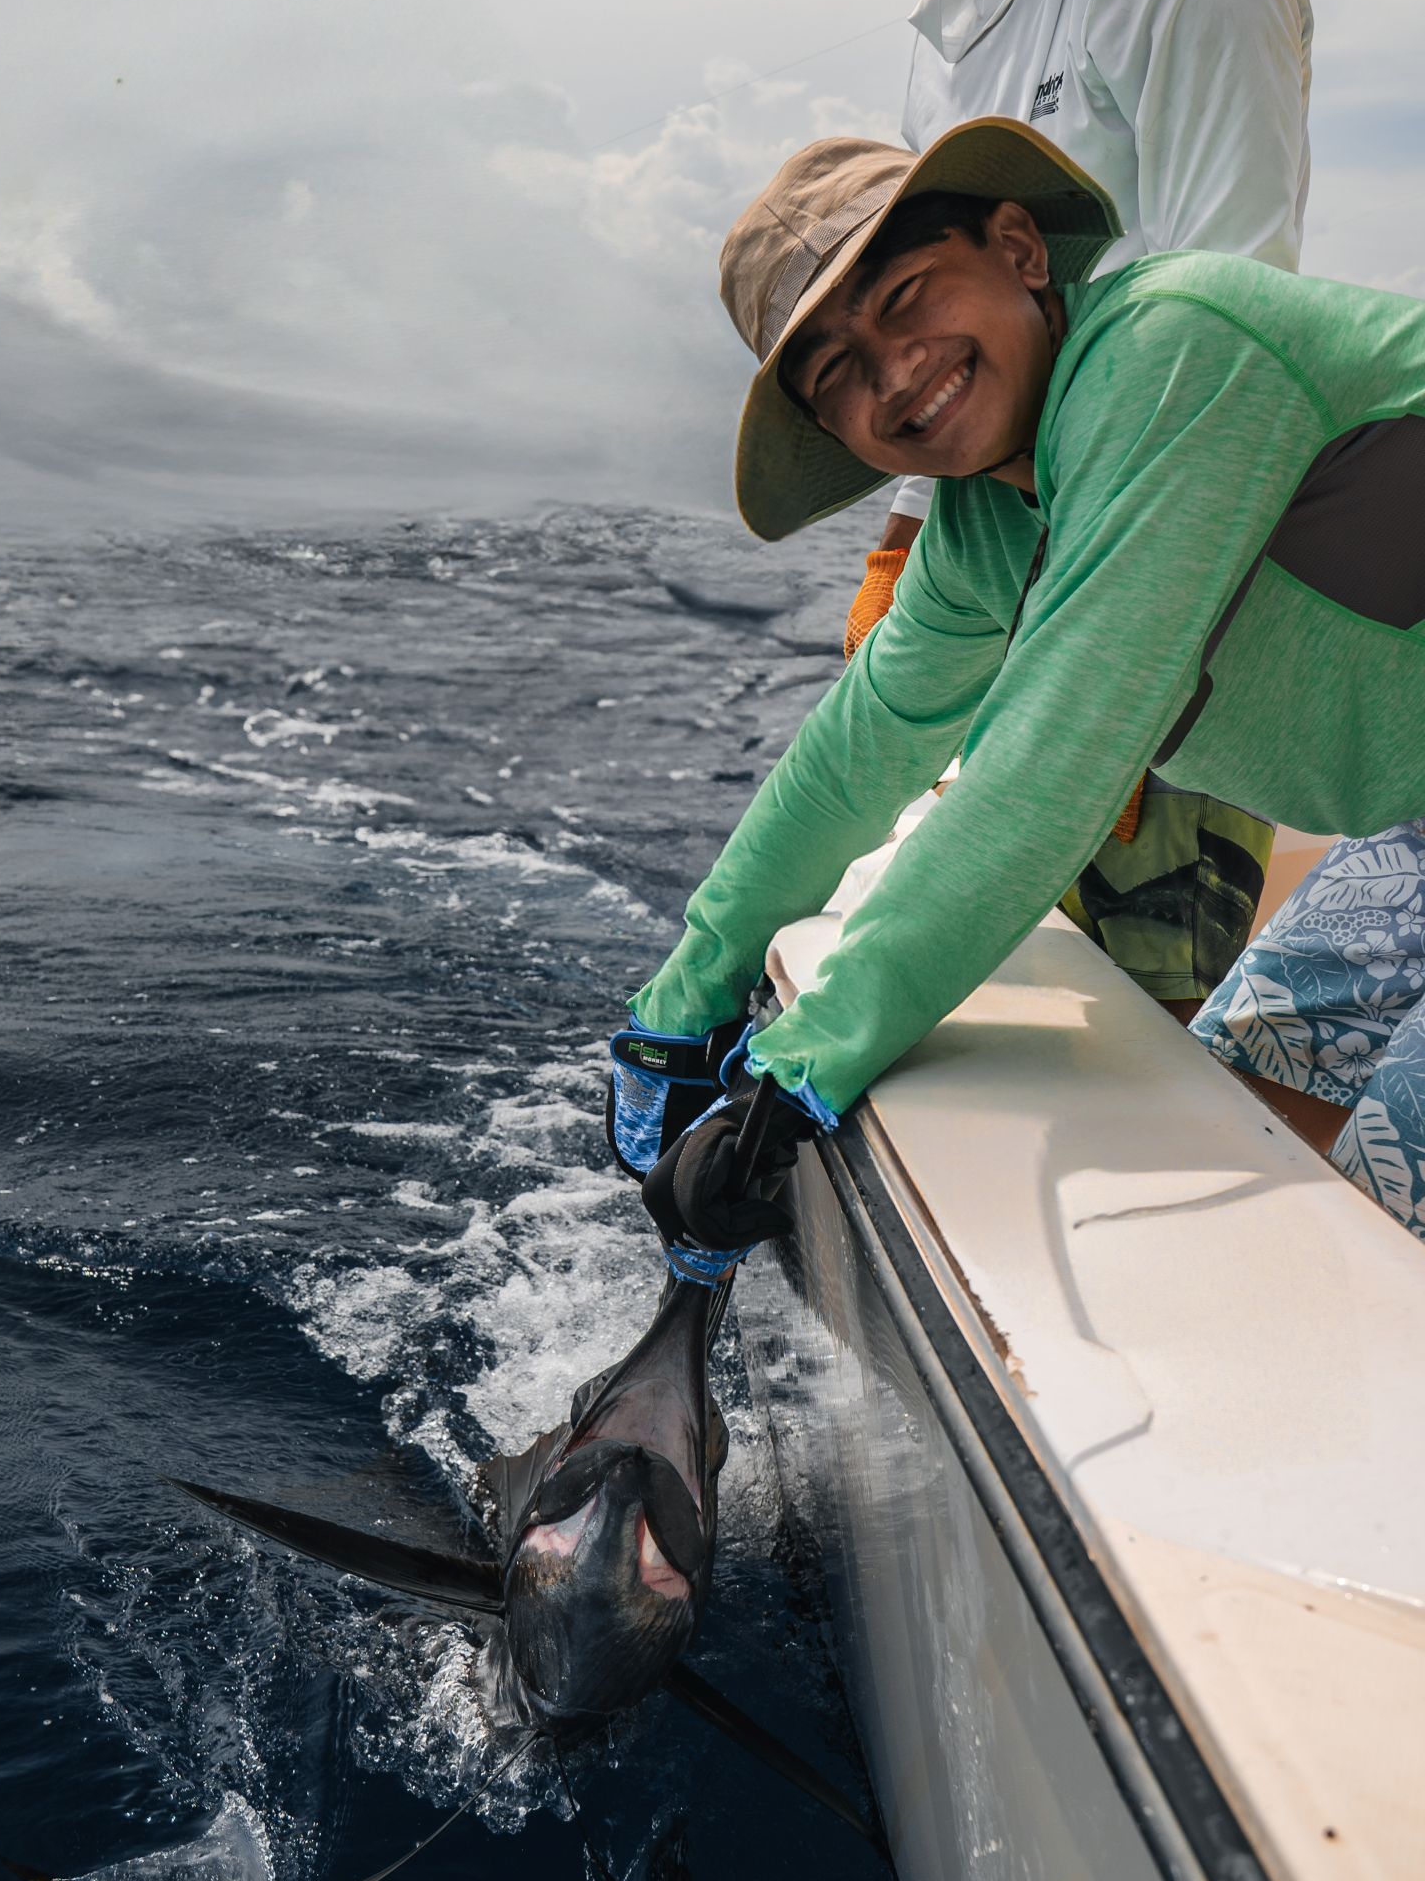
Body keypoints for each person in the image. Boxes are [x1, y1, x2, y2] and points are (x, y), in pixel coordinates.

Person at [609, 119, 1425, 1272]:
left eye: (904, 297)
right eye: (838, 370)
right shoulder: (985, 524)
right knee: (1245, 1085)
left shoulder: (1173, 346)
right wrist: (685, 995)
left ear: (1019, 249)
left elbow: (1056, 757)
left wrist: (804, 1070)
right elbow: (866, 745)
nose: (896, 373)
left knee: (1393, 1171)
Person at [799, 0, 1313, 1019]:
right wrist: (904, 559)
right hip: (1014, 610)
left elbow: (1226, 342)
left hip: (1166, 619)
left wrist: (1121, 680)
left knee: (1127, 1038)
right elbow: (940, 352)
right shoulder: (956, 21)